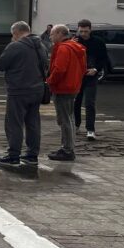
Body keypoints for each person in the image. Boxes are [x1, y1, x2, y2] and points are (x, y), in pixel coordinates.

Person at [0, 21, 48, 168]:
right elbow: (45, 65)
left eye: (13, 35)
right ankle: (32, 155)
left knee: (14, 123)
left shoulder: (15, 46)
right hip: (37, 90)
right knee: (33, 123)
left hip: (18, 90)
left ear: (16, 32)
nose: (12, 37)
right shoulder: (40, 45)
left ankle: (13, 155)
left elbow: (0, 65)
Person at [46, 24, 86, 161]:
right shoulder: (76, 48)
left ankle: (67, 149)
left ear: (59, 34)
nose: (50, 37)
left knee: (64, 120)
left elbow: (59, 69)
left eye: (52, 34)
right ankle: (67, 147)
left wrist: (49, 81)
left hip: (63, 87)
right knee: (69, 118)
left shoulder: (64, 48)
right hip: (72, 86)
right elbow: (83, 68)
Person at [73, 19, 109, 141]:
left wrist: (96, 69)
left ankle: (90, 129)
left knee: (90, 103)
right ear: (78, 29)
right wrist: (72, 44)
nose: (83, 34)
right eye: (81, 31)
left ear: (90, 29)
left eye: (86, 31)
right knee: (76, 102)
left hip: (91, 76)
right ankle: (76, 125)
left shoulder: (98, 42)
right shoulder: (74, 41)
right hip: (78, 76)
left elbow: (103, 59)